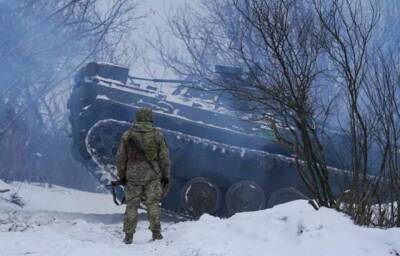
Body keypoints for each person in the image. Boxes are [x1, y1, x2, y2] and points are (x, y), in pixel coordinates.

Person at [116, 107, 171, 244]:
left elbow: (120, 158)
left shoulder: (127, 134)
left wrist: (122, 176)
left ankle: (128, 235)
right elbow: (164, 158)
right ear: (150, 118)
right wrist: (165, 175)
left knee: (131, 205)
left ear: (138, 117)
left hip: (133, 176)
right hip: (152, 176)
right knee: (152, 204)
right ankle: (156, 233)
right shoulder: (157, 134)